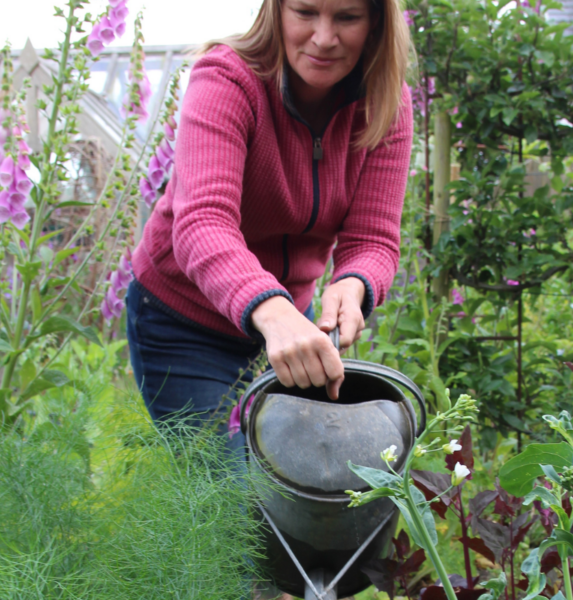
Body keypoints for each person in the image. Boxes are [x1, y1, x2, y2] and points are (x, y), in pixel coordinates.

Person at [125, 0, 414, 456]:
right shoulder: (226, 79)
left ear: (376, 21)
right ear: (275, 10)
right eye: (305, 12)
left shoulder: (385, 104)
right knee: (232, 502)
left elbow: (372, 239)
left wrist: (356, 282)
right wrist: (273, 310)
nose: (323, 37)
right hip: (184, 319)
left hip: (287, 330)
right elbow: (203, 222)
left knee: (303, 488)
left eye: (347, 17)